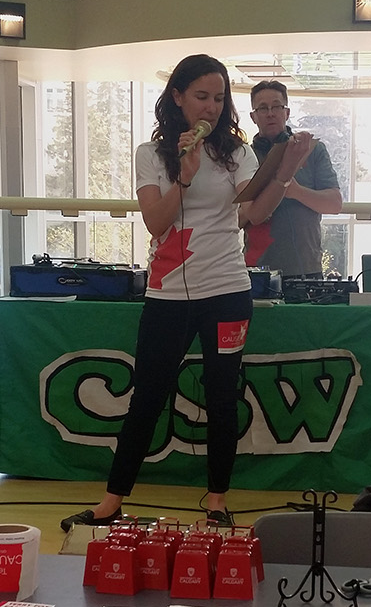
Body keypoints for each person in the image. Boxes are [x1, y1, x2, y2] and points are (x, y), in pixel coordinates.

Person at [61, 55, 310, 531]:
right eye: (201, 96)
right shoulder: (151, 155)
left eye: (219, 98)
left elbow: (254, 214)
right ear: (177, 96)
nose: (211, 107)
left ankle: (216, 500)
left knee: (221, 396)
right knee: (148, 397)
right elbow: (156, 222)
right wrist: (185, 175)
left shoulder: (238, 153)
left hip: (227, 290)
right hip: (168, 293)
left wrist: (285, 172)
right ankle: (111, 503)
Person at [242, 80, 341, 279]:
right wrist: (263, 201)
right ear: (253, 116)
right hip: (258, 269)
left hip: (306, 267)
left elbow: (334, 204)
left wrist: (294, 191)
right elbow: (232, 218)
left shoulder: (310, 151)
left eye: (276, 106)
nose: (270, 113)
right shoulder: (243, 157)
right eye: (263, 108)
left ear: (286, 113)